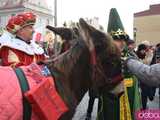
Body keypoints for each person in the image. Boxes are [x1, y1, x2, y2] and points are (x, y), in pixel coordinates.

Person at [97, 8, 142, 120]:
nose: (121, 42)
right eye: (117, 39)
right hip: (111, 101)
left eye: (123, 39)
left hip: (131, 97)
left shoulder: (132, 56)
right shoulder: (104, 59)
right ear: (110, 41)